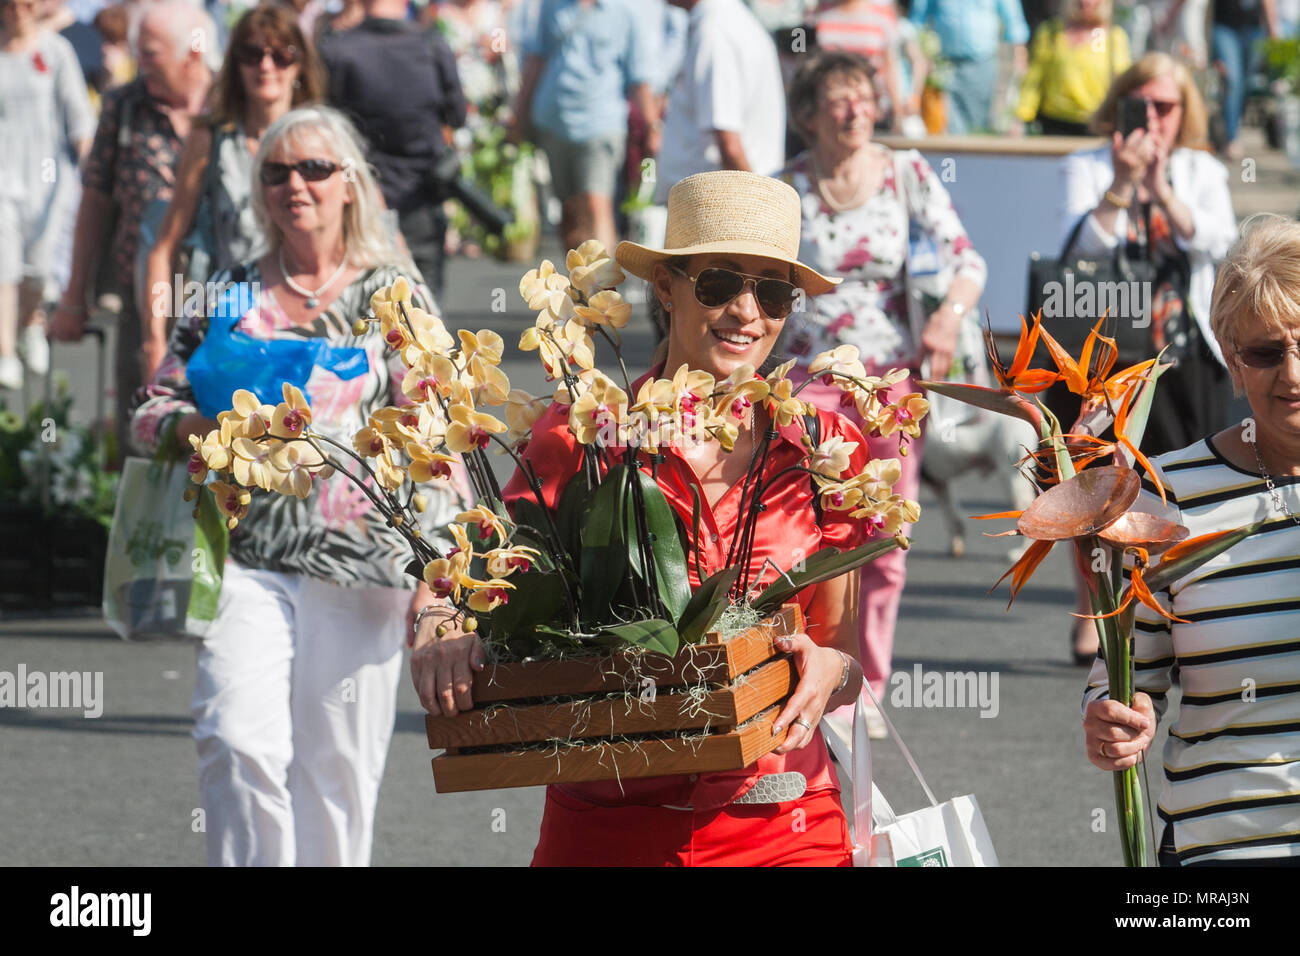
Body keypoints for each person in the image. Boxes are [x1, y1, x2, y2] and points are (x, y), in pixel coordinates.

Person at [411, 170, 870, 866]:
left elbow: (847, 658)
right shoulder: (581, 438)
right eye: (720, 284)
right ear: (666, 287)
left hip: (782, 821)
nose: (747, 311)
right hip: (608, 832)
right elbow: (468, 580)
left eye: (773, 290)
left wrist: (827, 669)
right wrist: (440, 631)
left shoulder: (829, 453)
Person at [130, 106, 462, 867]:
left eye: (315, 168)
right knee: (234, 735)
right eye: (276, 172)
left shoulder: (393, 295)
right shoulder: (230, 289)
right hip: (246, 554)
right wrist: (198, 435)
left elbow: (441, 436)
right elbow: (152, 407)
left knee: (335, 776)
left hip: (362, 564)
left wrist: (442, 574)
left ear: (350, 184)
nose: (295, 185)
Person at [779, 50, 986, 734]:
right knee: (814, 538)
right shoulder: (788, 189)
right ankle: (811, 669)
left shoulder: (905, 172)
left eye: (864, 96)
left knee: (887, 540)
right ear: (807, 115)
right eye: (838, 99)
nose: (855, 109)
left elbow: (966, 257)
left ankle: (866, 683)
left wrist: (949, 319)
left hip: (891, 382)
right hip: (810, 387)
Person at [1083, 216, 1300, 866]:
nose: (1293, 372)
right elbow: (1125, 674)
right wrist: (1112, 721)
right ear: (1231, 360)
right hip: (1226, 848)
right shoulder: (1167, 492)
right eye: (1266, 352)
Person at [1058, 51, 1237, 661]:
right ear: (1121, 105)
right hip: (1102, 357)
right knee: (1095, 488)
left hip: (1181, 353)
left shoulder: (1200, 168)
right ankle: (1093, 610)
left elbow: (1218, 240)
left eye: (1168, 108)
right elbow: (1081, 244)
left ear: (1185, 113)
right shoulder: (1085, 165)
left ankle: (1186, 606)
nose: (1155, 119)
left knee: (1184, 482)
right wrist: (1122, 183)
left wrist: (1162, 188)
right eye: (1144, 105)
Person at [49, 0, 216, 456]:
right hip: (140, 296)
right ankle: (138, 523)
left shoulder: (228, 109)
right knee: (143, 424)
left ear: (193, 55)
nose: (140, 64)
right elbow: (95, 201)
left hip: (222, 301)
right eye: (138, 51)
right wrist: (75, 292)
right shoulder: (125, 105)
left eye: (152, 54)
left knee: (219, 428)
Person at [141, 3, 325, 381]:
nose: (266, 66)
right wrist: (155, 341)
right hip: (231, 327)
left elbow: (369, 230)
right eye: (252, 54)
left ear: (301, 65)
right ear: (235, 63)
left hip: (311, 323)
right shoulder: (211, 138)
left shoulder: (324, 139)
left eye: (281, 54)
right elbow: (165, 245)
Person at [319, 0, 467, 298]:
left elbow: (324, 124)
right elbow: (457, 115)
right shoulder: (432, 46)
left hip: (359, 201)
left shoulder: (336, 50)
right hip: (421, 198)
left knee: (365, 308)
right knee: (425, 314)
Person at [510, 0, 657, 255]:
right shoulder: (551, 5)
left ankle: (604, 290)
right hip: (553, 122)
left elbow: (639, 78)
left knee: (596, 204)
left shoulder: (624, 10)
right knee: (569, 211)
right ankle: (579, 286)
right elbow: (536, 60)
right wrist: (518, 117)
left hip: (600, 123)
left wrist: (652, 126)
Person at [0, 0, 96, 391]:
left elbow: (79, 117)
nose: (20, 10)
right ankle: (5, 351)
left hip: (48, 180)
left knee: (38, 270)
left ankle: (28, 323)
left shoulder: (56, 50)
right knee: (4, 266)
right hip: (4, 179)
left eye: (27, 3)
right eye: (11, 4)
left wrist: (93, 172)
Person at [654, 0, 786, 201]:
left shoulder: (715, 30)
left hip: (716, 204)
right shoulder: (724, 21)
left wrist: (755, 208)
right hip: (714, 199)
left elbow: (729, 142)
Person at [908, 0, 1030, 134]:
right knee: (946, 127)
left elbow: (1013, 18)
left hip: (982, 62)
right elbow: (917, 19)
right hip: (943, 64)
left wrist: (1019, 52)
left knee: (976, 127)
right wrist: (921, 54)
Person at [1014, 0, 1131, 137]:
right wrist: (1022, 116)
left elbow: (1122, 82)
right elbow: (1034, 80)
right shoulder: (1052, 33)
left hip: (1096, 125)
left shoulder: (1108, 36)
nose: (1086, 3)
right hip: (1054, 124)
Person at [813, 0, 908, 134]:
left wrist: (898, 112)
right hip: (830, 109)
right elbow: (803, 56)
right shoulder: (818, 12)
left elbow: (890, 66)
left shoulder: (882, 13)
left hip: (871, 110)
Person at [1212, 0, 1279, 159]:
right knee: (1233, 80)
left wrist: (1273, 33)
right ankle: (1232, 137)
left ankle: (1233, 124)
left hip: (1253, 29)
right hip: (1225, 26)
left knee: (1247, 84)